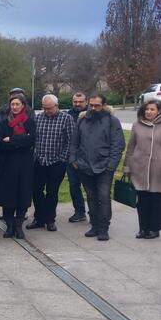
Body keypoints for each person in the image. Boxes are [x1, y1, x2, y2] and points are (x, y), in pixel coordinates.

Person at [69, 94, 125, 241]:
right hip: (84, 166)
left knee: (104, 197)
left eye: (97, 105)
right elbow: (74, 142)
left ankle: (103, 228)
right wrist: (74, 160)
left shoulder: (112, 121)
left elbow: (117, 145)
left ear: (104, 105)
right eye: (91, 105)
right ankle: (94, 225)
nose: (93, 108)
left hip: (104, 167)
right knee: (91, 197)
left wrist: (111, 166)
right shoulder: (82, 120)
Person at [29, 94, 74, 232]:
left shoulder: (66, 118)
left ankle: (50, 219)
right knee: (36, 190)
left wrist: (63, 158)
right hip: (40, 160)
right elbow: (33, 138)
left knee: (52, 192)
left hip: (57, 161)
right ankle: (39, 218)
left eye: (49, 108)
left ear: (57, 106)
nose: (47, 110)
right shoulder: (38, 118)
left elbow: (71, 140)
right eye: (44, 108)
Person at [0, 93, 36, 239]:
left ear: (23, 106)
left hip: (25, 165)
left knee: (22, 194)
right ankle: (10, 225)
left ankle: (19, 225)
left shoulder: (30, 122)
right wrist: (20, 141)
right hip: (7, 164)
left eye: (17, 104)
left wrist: (11, 140)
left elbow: (31, 140)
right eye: (12, 104)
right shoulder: (3, 124)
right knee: (8, 195)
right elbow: (1, 144)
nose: (15, 107)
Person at [124, 99, 161, 239]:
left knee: (156, 201)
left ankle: (154, 229)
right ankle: (143, 228)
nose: (149, 112)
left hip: (158, 170)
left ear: (159, 111)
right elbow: (131, 146)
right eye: (147, 109)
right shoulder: (137, 125)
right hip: (139, 168)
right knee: (142, 201)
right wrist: (127, 166)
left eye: (152, 109)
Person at [67, 92, 89, 222]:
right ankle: (79, 211)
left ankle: (95, 212)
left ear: (86, 102)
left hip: (88, 157)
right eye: (75, 101)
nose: (78, 104)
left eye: (80, 102)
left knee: (89, 187)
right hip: (71, 158)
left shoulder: (92, 115)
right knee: (74, 186)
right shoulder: (68, 115)